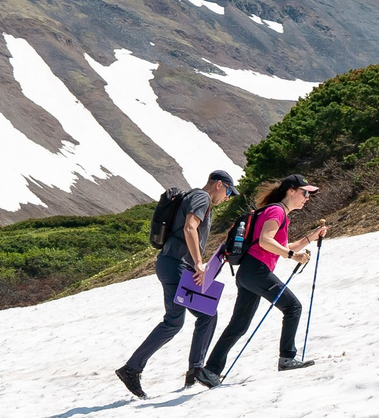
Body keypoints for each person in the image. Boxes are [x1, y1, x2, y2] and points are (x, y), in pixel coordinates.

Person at [115, 170, 237, 397]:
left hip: (172, 263)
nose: (227, 197)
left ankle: (136, 368)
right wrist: (199, 263)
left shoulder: (195, 197)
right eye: (229, 191)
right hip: (176, 264)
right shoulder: (202, 198)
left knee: (180, 320)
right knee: (202, 315)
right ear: (218, 185)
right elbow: (190, 227)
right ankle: (195, 369)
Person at [204, 175, 327, 381]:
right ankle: (287, 358)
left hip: (249, 272)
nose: (307, 197)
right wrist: (292, 256)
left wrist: (310, 237)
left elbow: (282, 247)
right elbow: (265, 241)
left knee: (239, 325)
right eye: (305, 192)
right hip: (256, 271)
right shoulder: (276, 211)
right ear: (291, 191)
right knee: (293, 307)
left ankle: (210, 371)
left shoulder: (278, 213)